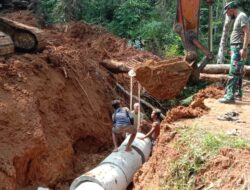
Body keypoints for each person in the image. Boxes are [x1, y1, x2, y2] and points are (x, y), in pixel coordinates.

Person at [219, 1, 249, 103]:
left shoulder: (242, 16)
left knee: (233, 72)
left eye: (227, 12)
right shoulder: (238, 17)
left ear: (230, 9)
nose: (227, 14)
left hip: (238, 48)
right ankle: (237, 94)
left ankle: (229, 96)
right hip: (236, 47)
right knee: (238, 72)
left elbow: (247, 33)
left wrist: (244, 49)